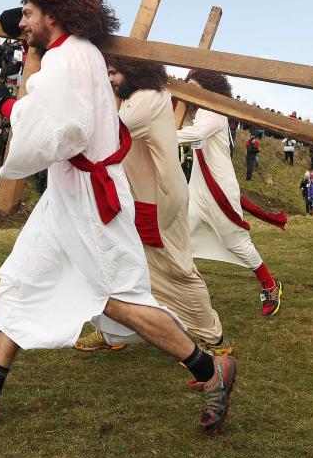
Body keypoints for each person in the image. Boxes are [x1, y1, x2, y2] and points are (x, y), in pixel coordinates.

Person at [0, 0, 237, 435]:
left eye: (29, 13)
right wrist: (21, 74)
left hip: (93, 200)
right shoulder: (72, 54)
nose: (24, 23)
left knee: (113, 297)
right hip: (67, 196)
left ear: (52, 13)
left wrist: (7, 106)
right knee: (24, 276)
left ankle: (209, 369)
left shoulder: (70, 59)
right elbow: (57, 107)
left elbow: (62, 130)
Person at [74, 55, 230, 355]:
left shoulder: (148, 98)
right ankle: (114, 332)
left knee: (176, 270)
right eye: (107, 73)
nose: (110, 79)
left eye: (114, 72)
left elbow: (106, 135)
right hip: (142, 199)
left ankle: (213, 338)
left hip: (156, 201)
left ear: (134, 70)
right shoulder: (135, 97)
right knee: (119, 264)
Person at [177, 69, 283, 317]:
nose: (191, 91)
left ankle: (270, 285)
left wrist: (157, 137)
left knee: (236, 242)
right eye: (188, 86)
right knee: (180, 236)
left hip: (219, 191)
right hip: (199, 190)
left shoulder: (213, 112)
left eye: (195, 86)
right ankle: (179, 293)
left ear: (210, 88)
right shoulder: (198, 114)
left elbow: (195, 134)